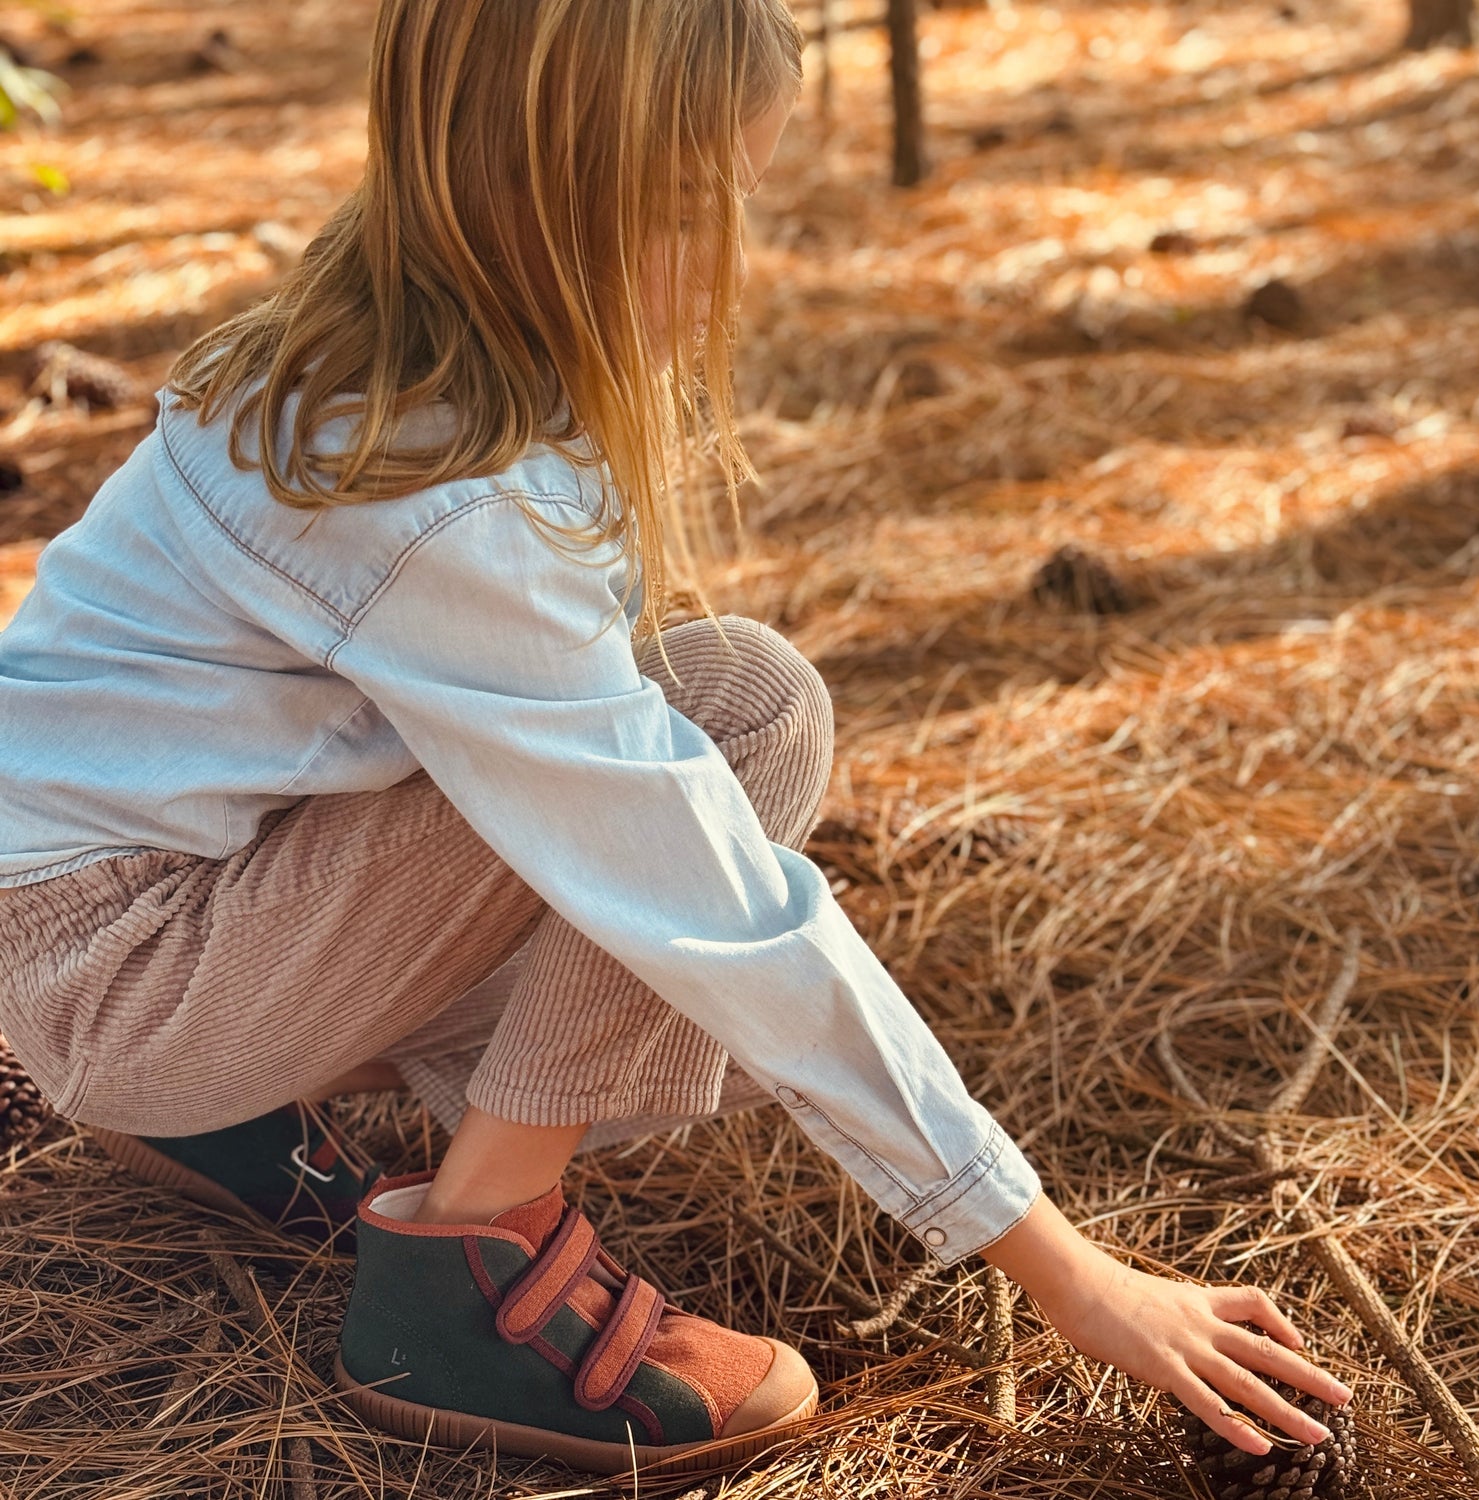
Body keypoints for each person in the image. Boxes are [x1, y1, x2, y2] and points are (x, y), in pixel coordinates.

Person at [0, 0, 1353, 1476]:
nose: (725, 262)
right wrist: (1063, 1269)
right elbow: (702, 894)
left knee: (743, 701)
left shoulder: (377, 344)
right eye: (693, 204)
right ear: (544, 184)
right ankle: (470, 1259)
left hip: (117, 923)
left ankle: (236, 1106)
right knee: (729, 737)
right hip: (123, 975)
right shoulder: (436, 496)